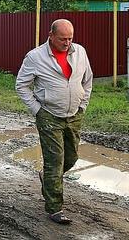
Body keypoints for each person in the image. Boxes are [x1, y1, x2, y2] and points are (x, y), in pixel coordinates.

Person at [15, 19, 93, 225]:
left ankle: (48, 177)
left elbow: (88, 80)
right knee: (55, 161)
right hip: (49, 115)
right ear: (51, 35)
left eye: (70, 38)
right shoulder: (35, 57)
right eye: (62, 39)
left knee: (72, 158)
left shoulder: (80, 52)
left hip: (74, 114)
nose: (67, 43)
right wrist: (37, 110)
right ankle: (54, 208)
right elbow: (21, 85)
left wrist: (83, 105)